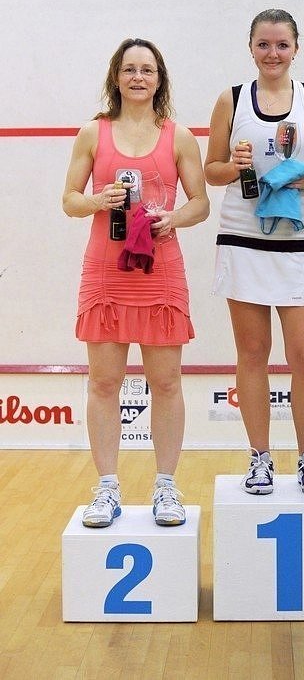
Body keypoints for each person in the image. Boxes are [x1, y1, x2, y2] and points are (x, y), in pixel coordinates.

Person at [62, 37, 209, 527]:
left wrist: (174, 218)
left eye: (147, 69)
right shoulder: (93, 133)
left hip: (159, 272)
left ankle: (166, 486)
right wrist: (98, 200)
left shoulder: (179, 136)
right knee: (104, 383)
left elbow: (200, 203)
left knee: (166, 382)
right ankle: (107, 488)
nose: (138, 77)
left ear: (159, 79)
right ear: (116, 77)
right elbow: (69, 200)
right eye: (130, 69)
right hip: (105, 273)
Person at [204, 9, 304, 495]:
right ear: (251, 48)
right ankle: (259, 457)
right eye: (264, 44)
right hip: (244, 240)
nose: (273, 53)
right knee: (252, 353)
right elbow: (211, 171)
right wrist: (234, 165)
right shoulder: (231, 99)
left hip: (302, 243)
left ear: (296, 48)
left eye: (282, 44)